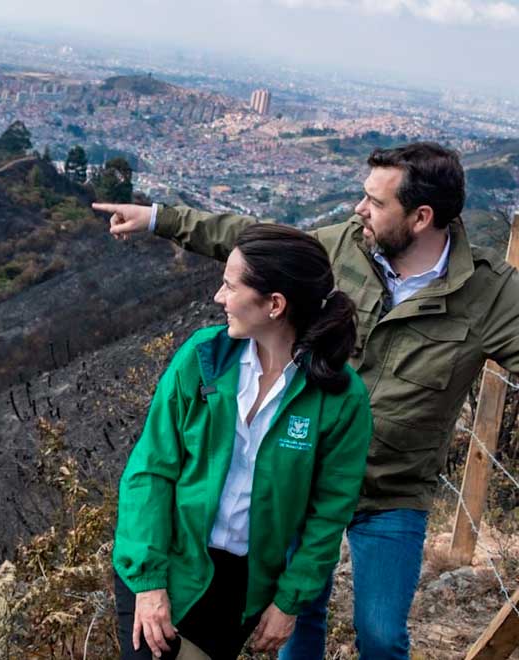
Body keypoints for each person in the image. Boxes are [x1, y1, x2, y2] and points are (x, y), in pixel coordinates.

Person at [98, 142, 519, 659]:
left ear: (421, 217)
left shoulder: (492, 295)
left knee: (382, 634)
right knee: (298, 616)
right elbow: (258, 252)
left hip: (390, 490)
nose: (359, 210)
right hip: (295, 473)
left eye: (376, 202)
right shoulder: (340, 249)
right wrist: (162, 218)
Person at [113, 223, 373, 659]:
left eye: (230, 286)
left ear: (275, 304)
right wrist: (149, 581)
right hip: (165, 555)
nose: (219, 297)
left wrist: (289, 601)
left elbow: (329, 513)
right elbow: (150, 469)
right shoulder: (202, 358)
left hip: (241, 585)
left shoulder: (341, 398)